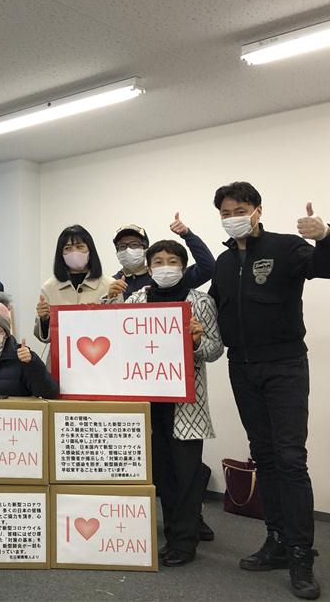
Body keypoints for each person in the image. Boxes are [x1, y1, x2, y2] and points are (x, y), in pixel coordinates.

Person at [209, 182, 330, 600]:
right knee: (263, 455)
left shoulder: (286, 247)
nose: (233, 215)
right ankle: (277, 540)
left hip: (284, 366)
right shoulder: (224, 262)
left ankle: (302, 552)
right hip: (241, 367)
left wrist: (326, 235)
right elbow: (212, 307)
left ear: (257, 210)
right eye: (226, 210)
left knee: (289, 458)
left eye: (241, 208)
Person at [122, 239, 223, 567]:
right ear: (149, 268)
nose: (166, 267)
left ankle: (184, 540)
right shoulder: (135, 299)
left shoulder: (200, 301)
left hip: (186, 407)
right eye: (159, 261)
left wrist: (196, 340)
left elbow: (214, 350)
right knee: (162, 473)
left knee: (187, 473)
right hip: (147, 403)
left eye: (173, 261)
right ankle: (176, 531)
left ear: (183, 266)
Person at [106, 214, 216, 301]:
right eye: (122, 246)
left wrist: (187, 235)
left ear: (145, 249)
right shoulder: (110, 282)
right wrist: (110, 299)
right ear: (117, 252)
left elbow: (209, 268)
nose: (128, 250)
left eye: (134, 244)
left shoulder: (168, 277)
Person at [34, 225, 114, 343]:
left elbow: (116, 328)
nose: (74, 252)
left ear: (90, 250)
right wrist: (44, 319)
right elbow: (45, 338)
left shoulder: (109, 285)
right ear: (61, 254)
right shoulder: (49, 287)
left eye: (79, 246)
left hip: (101, 355)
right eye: (67, 248)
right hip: (61, 358)